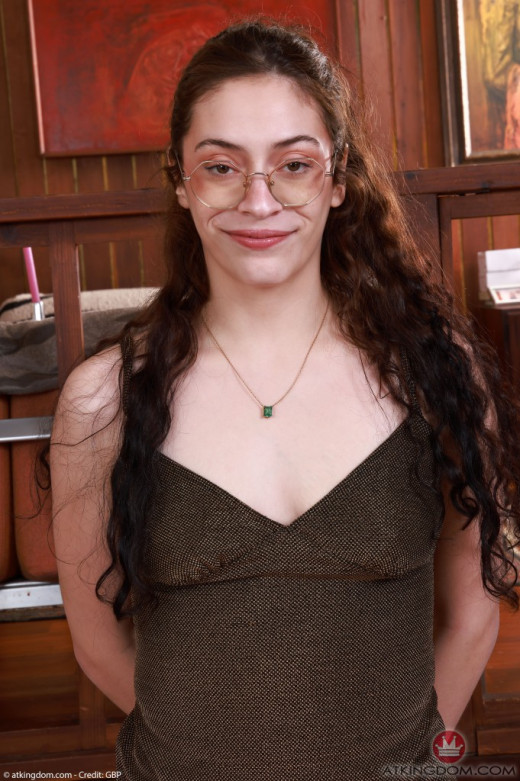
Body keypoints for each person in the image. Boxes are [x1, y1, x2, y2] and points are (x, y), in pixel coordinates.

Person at [49, 18, 520, 781]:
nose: (259, 199)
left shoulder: (437, 374)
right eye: (221, 166)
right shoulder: (102, 400)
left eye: (293, 164)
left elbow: (470, 618)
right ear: (181, 181)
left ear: (338, 178)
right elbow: (97, 645)